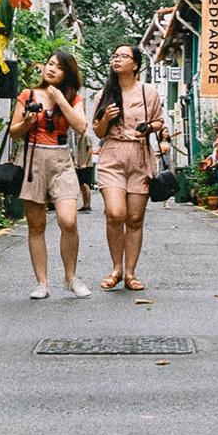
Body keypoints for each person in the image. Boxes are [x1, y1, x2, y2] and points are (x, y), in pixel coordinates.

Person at [7, 48, 89, 298]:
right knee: (37, 225)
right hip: (33, 158)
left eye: (59, 66)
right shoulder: (28, 94)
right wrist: (27, 123)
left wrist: (61, 100)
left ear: (68, 72)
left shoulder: (74, 98)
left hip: (61, 160)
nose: (51, 68)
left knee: (68, 220)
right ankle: (42, 283)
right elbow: (13, 131)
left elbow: (82, 127)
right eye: (50, 64)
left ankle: (70, 277)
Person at [91, 44, 166, 291]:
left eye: (123, 56)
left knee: (134, 218)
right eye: (115, 55)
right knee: (115, 214)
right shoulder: (106, 93)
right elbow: (98, 131)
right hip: (112, 155)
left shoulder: (148, 92)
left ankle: (130, 273)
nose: (117, 59)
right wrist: (106, 119)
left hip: (140, 157)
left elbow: (159, 122)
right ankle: (116, 268)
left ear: (135, 65)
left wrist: (149, 128)